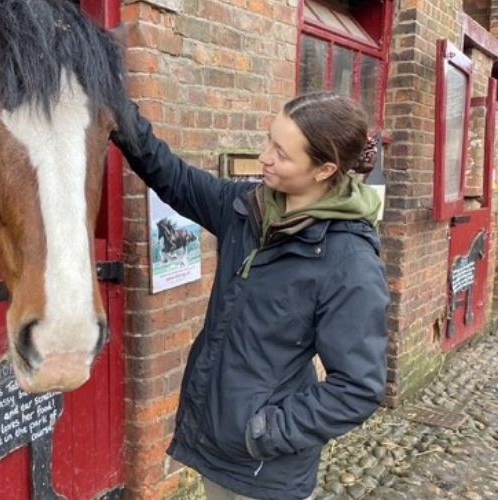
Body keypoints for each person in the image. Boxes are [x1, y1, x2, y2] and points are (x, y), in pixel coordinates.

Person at [110, 91, 391, 500]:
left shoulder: (349, 262)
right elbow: (172, 177)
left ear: (324, 169)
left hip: (267, 473)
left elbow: (358, 388)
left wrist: (264, 432)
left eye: (282, 152)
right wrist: (116, 107)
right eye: (269, 140)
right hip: (217, 451)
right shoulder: (247, 208)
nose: (265, 157)